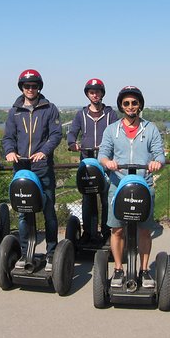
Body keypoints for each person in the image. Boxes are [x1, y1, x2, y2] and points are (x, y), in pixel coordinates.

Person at [98, 86, 165, 289]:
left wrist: (156, 163)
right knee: (117, 230)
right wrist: (107, 162)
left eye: (134, 102)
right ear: (121, 106)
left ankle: (144, 270)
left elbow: (160, 154)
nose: (130, 106)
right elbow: (102, 154)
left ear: (139, 105)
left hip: (143, 185)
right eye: (126, 103)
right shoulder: (112, 130)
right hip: (118, 185)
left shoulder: (150, 128)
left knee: (144, 231)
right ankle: (118, 269)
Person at [2, 69, 62, 271]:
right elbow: (8, 137)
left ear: (39, 88)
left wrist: (44, 151)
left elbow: (55, 135)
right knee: (23, 212)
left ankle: (52, 253)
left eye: (34, 86)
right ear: (22, 87)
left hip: (42, 167)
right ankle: (26, 251)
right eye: (27, 86)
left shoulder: (49, 108)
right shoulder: (14, 111)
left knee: (48, 211)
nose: (30, 89)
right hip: (21, 167)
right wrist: (10, 151)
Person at [66, 78, 119, 244]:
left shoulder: (110, 114)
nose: (95, 95)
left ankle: (106, 232)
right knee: (88, 198)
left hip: (105, 162)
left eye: (98, 92)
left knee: (106, 198)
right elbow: (72, 132)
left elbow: (117, 132)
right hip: (88, 163)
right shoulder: (81, 114)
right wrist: (73, 143)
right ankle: (89, 232)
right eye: (92, 92)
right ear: (88, 94)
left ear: (102, 94)